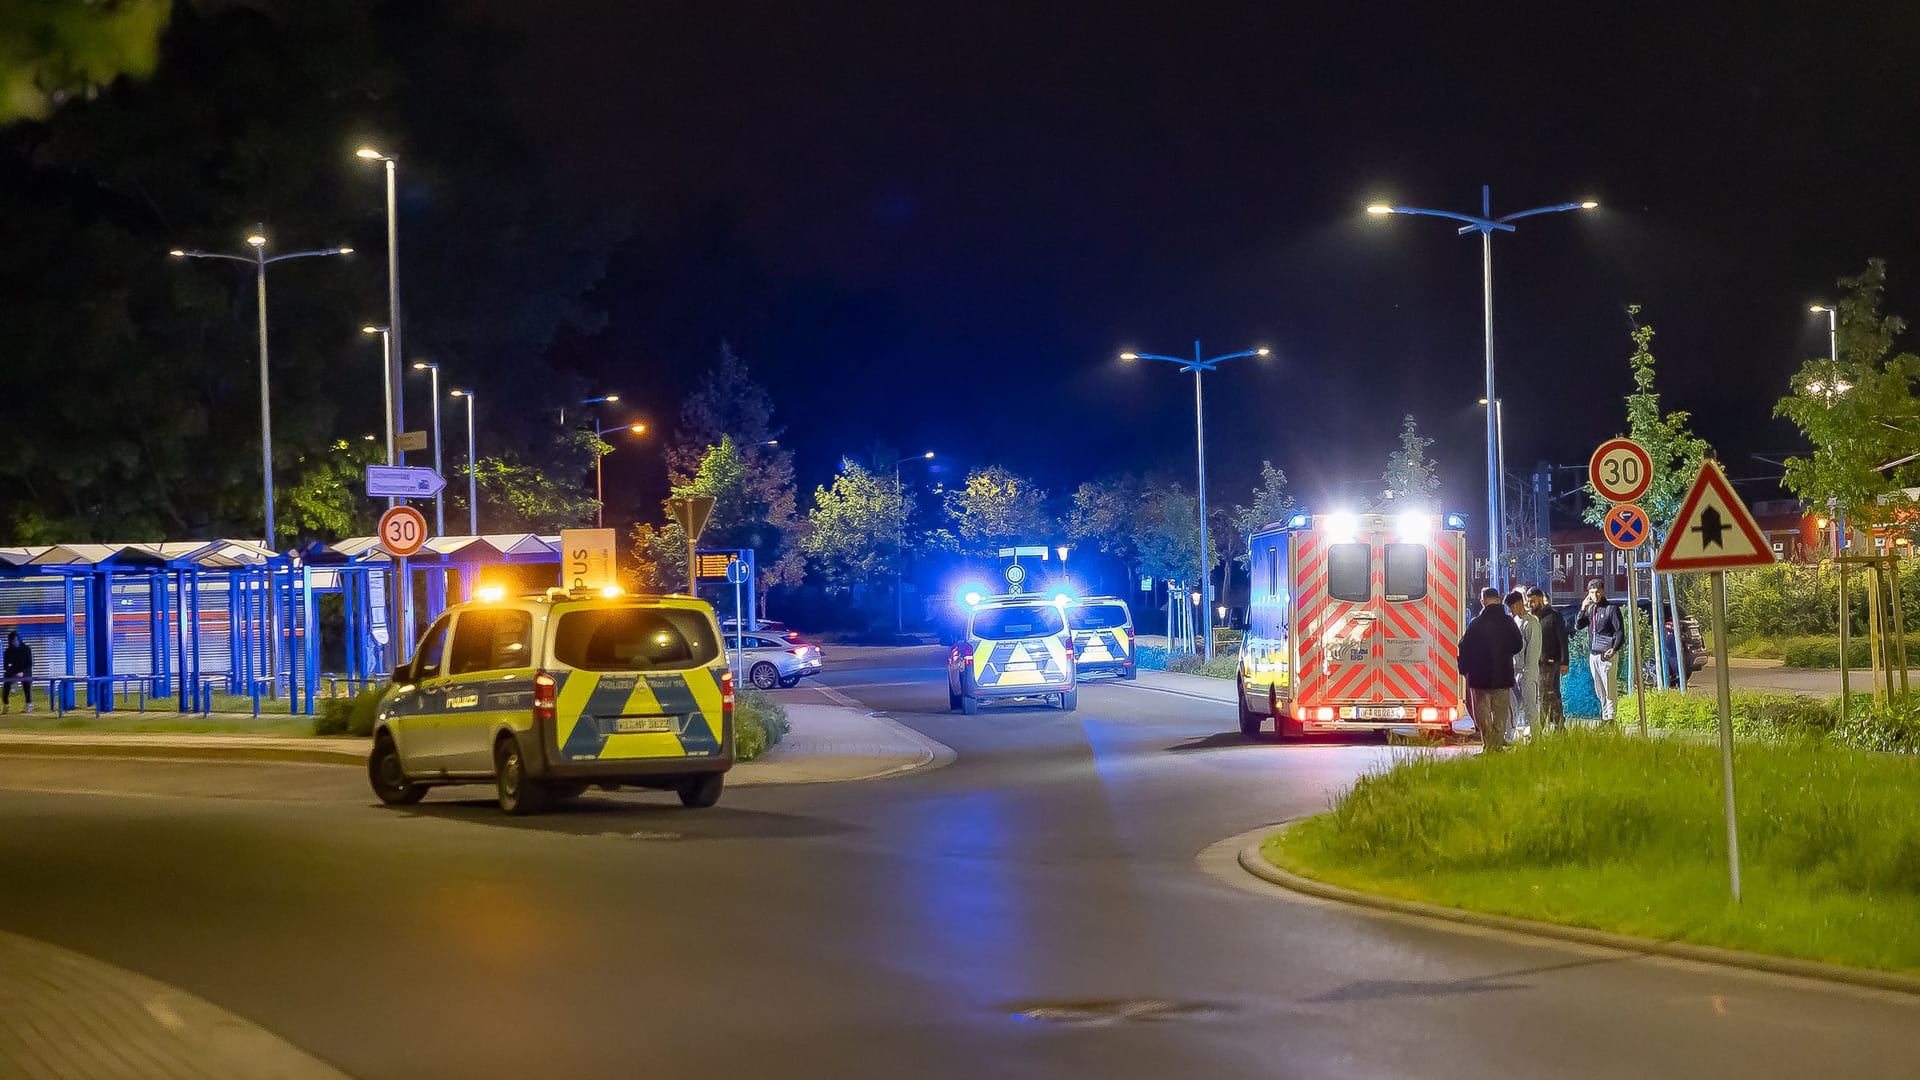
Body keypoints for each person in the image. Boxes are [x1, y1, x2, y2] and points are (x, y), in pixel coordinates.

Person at [1458, 586, 1524, 751]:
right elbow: (1518, 645)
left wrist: (1464, 669)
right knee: (1501, 713)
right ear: (1499, 599)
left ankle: (1488, 745)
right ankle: (1497, 745)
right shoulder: (1508, 622)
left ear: (1484, 601)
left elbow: (1463, 647)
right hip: (1503, 675)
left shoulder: (1476, 624)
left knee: (1482, 713)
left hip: (1479, 677)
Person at [1575, 579, 1624, 723]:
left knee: (1609, 688)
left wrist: (1614, 649)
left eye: (1597, 592)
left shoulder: (1611, 609)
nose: (1595, 595)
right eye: (1591, 592)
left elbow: (1619, 631)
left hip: (1606, 654)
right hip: (1594, 654)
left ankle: (1611, 718)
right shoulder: (1591, 609)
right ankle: (1604, 716)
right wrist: (1583, 608)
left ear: (1603, 591)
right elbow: (1579, 625)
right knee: (1599, 689)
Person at [1528, 586, 1570, 732]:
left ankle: (1541, 726)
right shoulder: (1533, 618)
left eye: (1533, 601)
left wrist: (1565, 662)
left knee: (1545, 693)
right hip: (1537, 662)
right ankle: (1558, 725)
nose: (1530, 605)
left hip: (1550, 660)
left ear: (1540, 599)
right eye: (1529, 602)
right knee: (1551, 693)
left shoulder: (1553, 616)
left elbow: (1562, 640)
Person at [1506, 589, 1542, 739]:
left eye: (1512, 606)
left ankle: (1536, 737)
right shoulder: (1514, 621)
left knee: (1530, 706)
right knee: (1512, 706)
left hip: (1527, 671)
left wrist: (1527, 672)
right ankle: (1510, 736)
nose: (1511, 610)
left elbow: (1533, 651)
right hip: (1515, 671)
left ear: (1520, 603)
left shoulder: (1531, 623)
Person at [2, 630, 31, 714]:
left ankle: (29, 704)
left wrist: (23, 672)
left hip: (25, 671)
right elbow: (5, 666)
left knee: (26, 681)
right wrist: (12, 674)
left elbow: (30, 664)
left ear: (19, 639)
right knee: (6, 682)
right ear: (10, 641)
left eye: (16, 640)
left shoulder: (26, 649)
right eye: (13, 641)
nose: (15, 642)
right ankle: (6, 704)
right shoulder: (8, 651)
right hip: (13, 671)